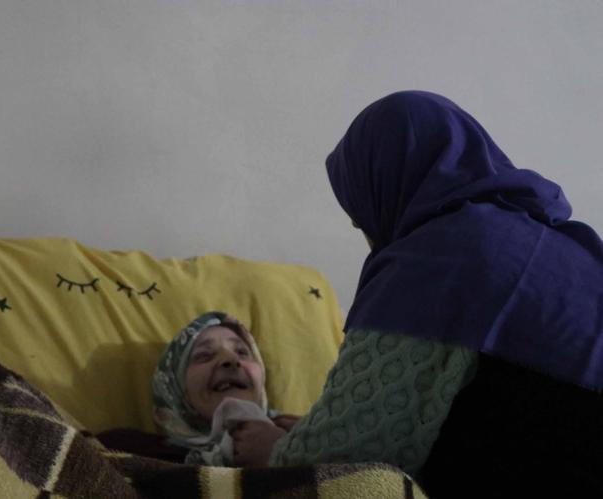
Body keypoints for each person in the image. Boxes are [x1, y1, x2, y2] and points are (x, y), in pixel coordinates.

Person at [232, 90, 603, 495]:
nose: (369, 238)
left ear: (387, 191)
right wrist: (321, 427)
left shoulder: (435, 258)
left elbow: (341, 464)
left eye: (361, 220)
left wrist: (275, 452)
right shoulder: (558, 244)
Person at [152, 311, 298, 466]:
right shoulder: (154, 461)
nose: (231, 359)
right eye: (204, 355)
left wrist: (297, 448)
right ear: (176, 390)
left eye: (242, 352)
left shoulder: (303, 434)